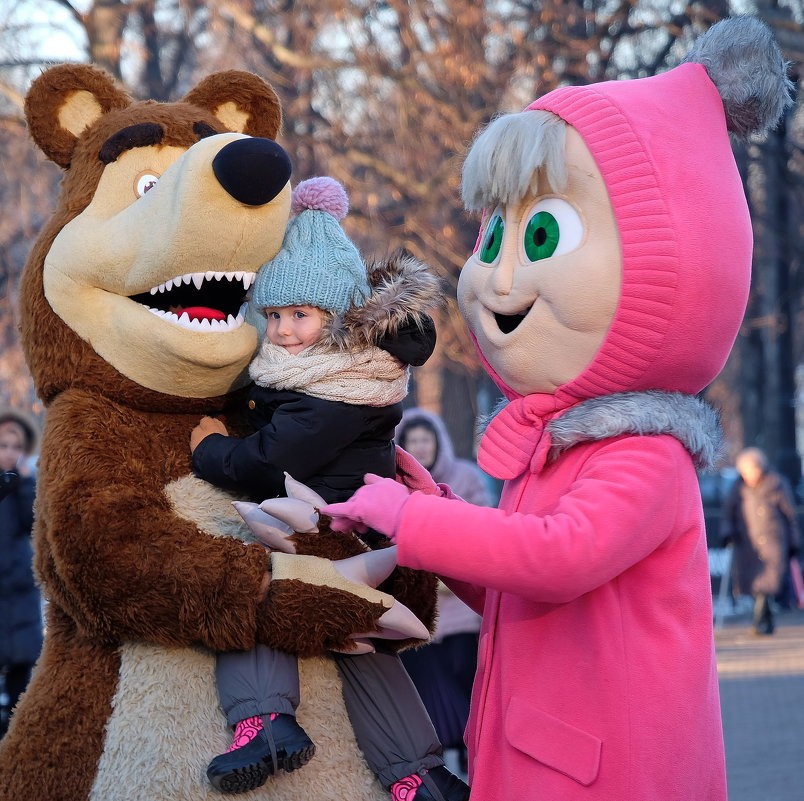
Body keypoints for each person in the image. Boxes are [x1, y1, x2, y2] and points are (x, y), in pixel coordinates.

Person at [321, 17, 792, 801]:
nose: (495, 279)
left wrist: (412, 520)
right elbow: (513, 582)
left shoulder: (645, 452)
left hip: (608, 776)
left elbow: (560, 556)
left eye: (538, 234)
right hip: (538, 763)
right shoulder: (564, 447)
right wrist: (427, 507)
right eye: (493, 234)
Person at [190, 177, 469, 801]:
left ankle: (262, 720)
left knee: (257, 592)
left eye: (301, 316)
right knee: (362, 645)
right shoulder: (338, 368)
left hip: (327, 534)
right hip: (355, 534)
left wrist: (210, 449)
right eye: (275, 315)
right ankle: (416, 777)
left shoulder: (338, 386)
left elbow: (269, 460)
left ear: (338, 317)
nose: (285, 330)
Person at [395, 409, 490, 772]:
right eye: (413, 442)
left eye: (426, 440)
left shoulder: (464, 477)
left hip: (462, 604)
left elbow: (481, 529)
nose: (420, 447)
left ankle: (474, 754)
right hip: (421, 608)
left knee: (465, 677)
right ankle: (443, 755)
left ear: (438, 442)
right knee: (429, 687)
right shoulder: (395, 484)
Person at [720, 447, 801, 635]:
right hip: (748, 544)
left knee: (766, 583)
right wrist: (728, 533)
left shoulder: (777, 483)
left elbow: (790, 515)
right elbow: (728, 514)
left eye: (750, 471)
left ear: (759, 468)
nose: (747, 475)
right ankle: (767, 621)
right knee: (757, 584)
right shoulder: (737, 488)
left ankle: (758, 623)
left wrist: (793, 542)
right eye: (744, 472)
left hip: (773, 541)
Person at [0, 409, 43, 739]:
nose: (9, 452)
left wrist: (24, 482)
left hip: (20, 597)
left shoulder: (23, 487)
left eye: (15, 446)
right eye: (2, 444)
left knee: (22, 680)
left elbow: (34, 523)